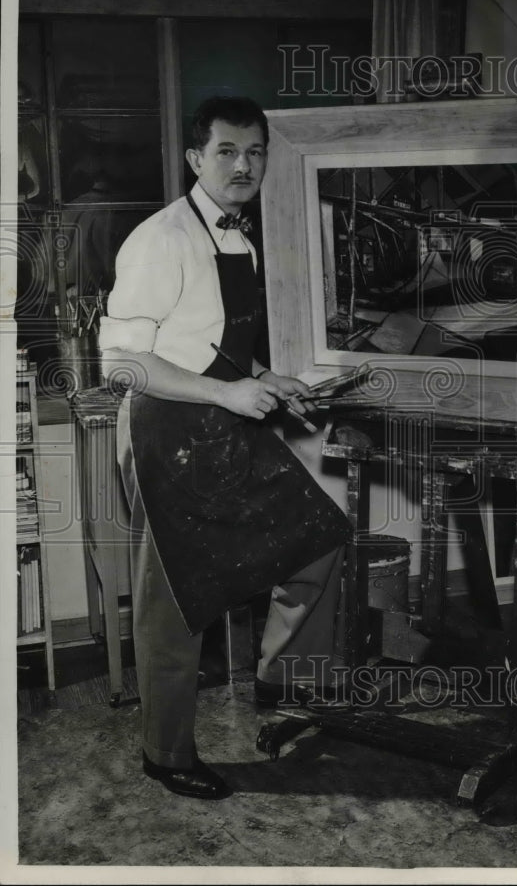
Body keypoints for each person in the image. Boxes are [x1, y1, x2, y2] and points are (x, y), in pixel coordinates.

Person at [99, 96, 351, 801]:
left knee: (319, 541)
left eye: (255, 152)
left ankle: (279, 678)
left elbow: (214, 346)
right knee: (176, 605)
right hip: (166, 432)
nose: (244, 167)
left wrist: (271, 378)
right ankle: (165, 753)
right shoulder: (160, 239)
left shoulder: (240, 235)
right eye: (226, 152)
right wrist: (228, 395)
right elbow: (121, 362)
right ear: (194, 159)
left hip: (223, 421)